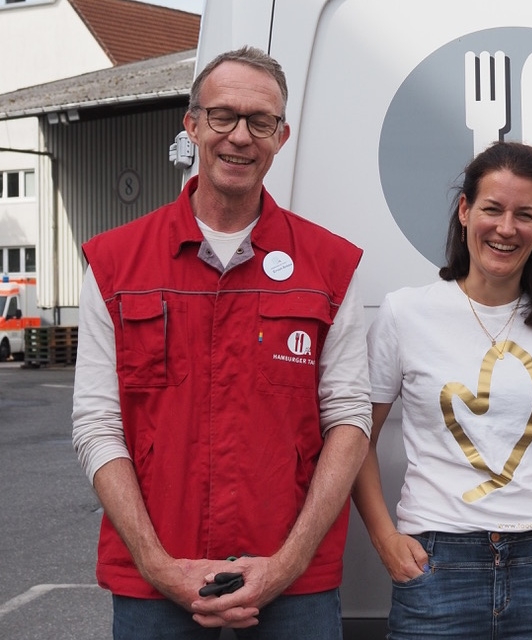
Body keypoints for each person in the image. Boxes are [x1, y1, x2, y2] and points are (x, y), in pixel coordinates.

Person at [71, 46, 371, 639]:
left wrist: (286, 565)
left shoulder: (332, 265)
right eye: (222, 116)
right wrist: (159, 566)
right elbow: (97, 424)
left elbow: (349, 420)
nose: (240, 136)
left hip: (294, 588)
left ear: (281, 137)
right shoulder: (115, 263)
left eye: (260, 122)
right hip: (156, 584)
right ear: (192, 124)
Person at [353, 141, 532, 639]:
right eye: (492, 209)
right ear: (465, 210)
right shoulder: (405, 313)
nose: (505, 227)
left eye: (525, 214)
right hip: (435, 566)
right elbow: (358, 436)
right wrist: (384, 537)